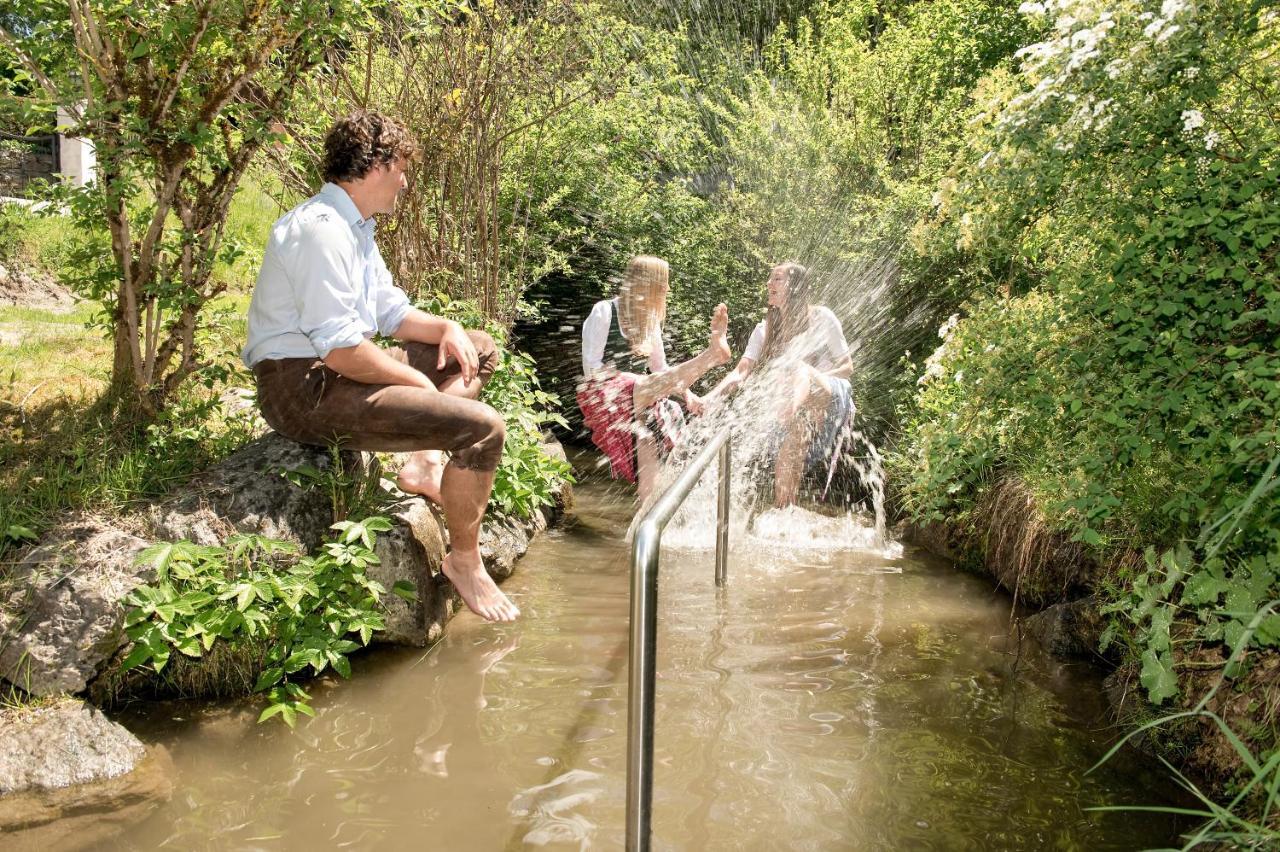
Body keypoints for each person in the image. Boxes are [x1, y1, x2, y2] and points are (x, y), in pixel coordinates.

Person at [241, 111, 518, 623]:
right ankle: (465, 561)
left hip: (339, 369)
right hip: (305, 390)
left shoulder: (357, 229)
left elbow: (391, 313)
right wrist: (414, 380)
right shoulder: (320, 231)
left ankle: (421, 461)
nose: (406, 181)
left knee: (477, 349)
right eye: (402, 168)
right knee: (483, 431)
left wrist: (446, 328)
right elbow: (343, 349)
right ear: (377, 164)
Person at [576, 255, 731, 502]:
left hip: (640, 396)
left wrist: (688, 396)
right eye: (663, 284)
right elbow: (591, 370)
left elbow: (660, 368)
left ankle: (645, 516)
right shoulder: (604, 311)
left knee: (648, 444)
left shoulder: (650, 320)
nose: (667, 289)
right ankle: (711, 356)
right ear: (645, 284)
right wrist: (626, 377)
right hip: (603, 398)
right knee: (642, 385)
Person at [703, 261, 853, 507]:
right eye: (770, 279)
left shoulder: (822, 317)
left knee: (799, 368)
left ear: (795, 287)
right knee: (789, 448)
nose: (769, 284)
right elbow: (741, 372)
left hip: (830, 398)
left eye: (777, 279)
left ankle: (792, 406)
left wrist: (812, 378)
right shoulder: (764, 330)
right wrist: (709, 398)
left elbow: (847, 368)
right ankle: (783, 513)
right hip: (797, 413)